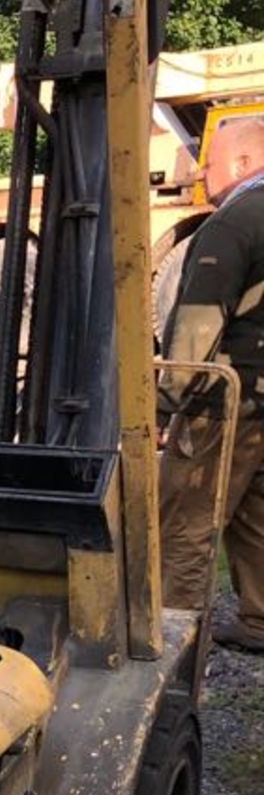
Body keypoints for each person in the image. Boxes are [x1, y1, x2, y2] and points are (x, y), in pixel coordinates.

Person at [158, 116, 264, 651]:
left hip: (228, 400)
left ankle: (174, 635)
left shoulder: (235, 221)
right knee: (254, 513)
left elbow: (200, 320)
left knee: (187, 519)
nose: (199, 172)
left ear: (244, 163)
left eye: (209, 160)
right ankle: (259, 620)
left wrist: (167, 400)